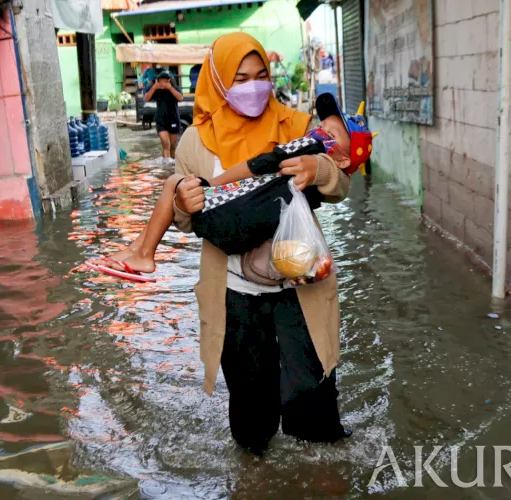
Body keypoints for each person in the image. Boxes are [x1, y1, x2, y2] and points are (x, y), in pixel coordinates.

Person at [173, 32, 358, 455]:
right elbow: (184, 220)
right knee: (251, 423)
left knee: (314, 412)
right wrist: (184, 203)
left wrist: (318, 168)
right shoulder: (195, 143)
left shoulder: (297, 126)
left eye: (260, 76)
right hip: (235, 296)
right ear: (218, 81)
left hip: (302, 285)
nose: (252, 87)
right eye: (239, 78)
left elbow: (341, 186)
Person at [89, 92, 375, 277]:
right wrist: (187, 200)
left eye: (334, 132)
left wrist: (213, 186)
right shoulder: (195, 140)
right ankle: (136, 250)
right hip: (239, 231)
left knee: (175, 182)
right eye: (326, 124)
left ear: (340, 159)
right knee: (178, 188)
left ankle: (144, 255)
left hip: (232, 223)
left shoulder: (308, 144)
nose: (323, 129)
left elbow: (260, 165)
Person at [145, 70, 183, 160]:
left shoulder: (174, 89)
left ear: (169, 81)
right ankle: (166, 167)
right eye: (161, 81)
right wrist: (154, 87)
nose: (163, 83)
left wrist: (170, 88)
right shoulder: (156, 90)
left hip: (173, 119)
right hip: (160, 120)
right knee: (166, 145)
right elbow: (146, 99)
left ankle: (172, 165)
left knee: (172, 146)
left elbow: (180, 98)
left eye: (165, 81)